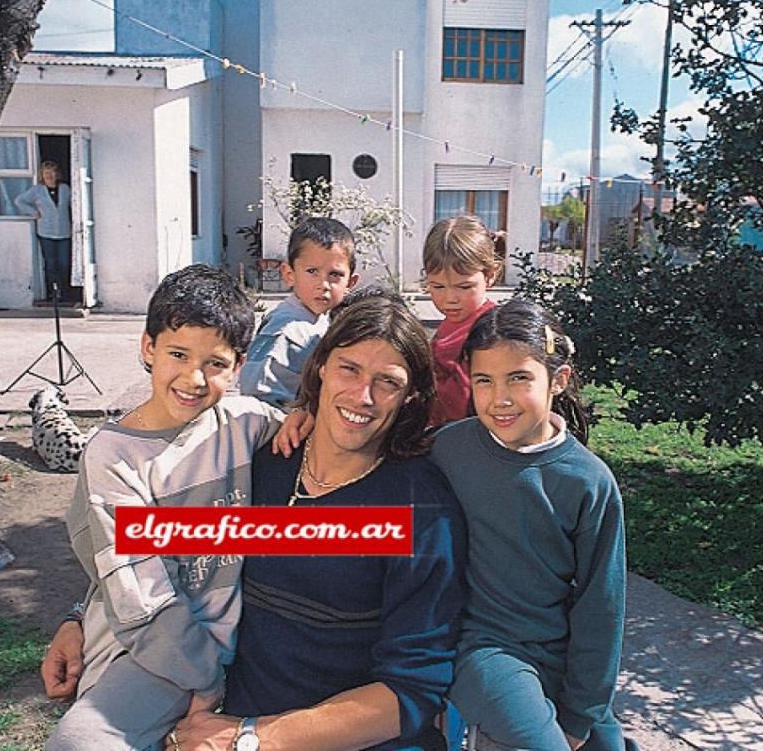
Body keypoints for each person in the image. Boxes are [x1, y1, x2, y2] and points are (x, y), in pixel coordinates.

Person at [171, 290, 468, 751]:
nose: (362, 396)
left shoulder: (421, 509)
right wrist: (80, 618)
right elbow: (161, 539)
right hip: (226, 710)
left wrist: (251, 740)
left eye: (386, 382)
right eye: (349, 369)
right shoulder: (259, 462)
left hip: (355, 738)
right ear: (322, 366)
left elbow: (411, 689)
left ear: (410, 397)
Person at [42, 264, 284, 751]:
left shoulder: (246, 422)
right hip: (156, 650)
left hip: (240, 636)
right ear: (148, 347)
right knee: (79, 744)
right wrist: (204, 680)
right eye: (178, 354)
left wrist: (301, 421)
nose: (194, 378)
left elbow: (304, 440)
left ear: (237, 367)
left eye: (215, 363)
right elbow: (140, 596)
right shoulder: (114, 455)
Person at [429, 298, 629, 750]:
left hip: (558, 650)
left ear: (558, 379)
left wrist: (581, 714)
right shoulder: (447, 450)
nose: (500, 398)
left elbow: (602, 604)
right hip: (483, 649)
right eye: (484, 380)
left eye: (519, 378)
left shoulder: (589, 481)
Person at [238, 217, 360, 409]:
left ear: (350, 284)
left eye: (335, 275)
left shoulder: (317, 319)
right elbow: (259, 394)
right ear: (289, 274)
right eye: (312, 271)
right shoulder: (287, 330)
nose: (324, 285)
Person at [422, 216, 502, 428]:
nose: (450, 298)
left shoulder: (492, 332)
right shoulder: (450, 324)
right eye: (437, 287)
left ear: (491, 274)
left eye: (464, 287)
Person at [15, 160, 73, 301]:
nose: (49, 176)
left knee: (64, 263)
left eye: (52, 173)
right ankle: (54, 292)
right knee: (51, 263)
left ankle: (65, 290)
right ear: (42, 175)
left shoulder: (65, 189)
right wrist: (34, 212)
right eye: (46, 173)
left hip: (64, 232)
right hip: (46, 232)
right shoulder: (37, 190)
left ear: (57, 174)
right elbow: (19, 201)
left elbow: (75, 204)